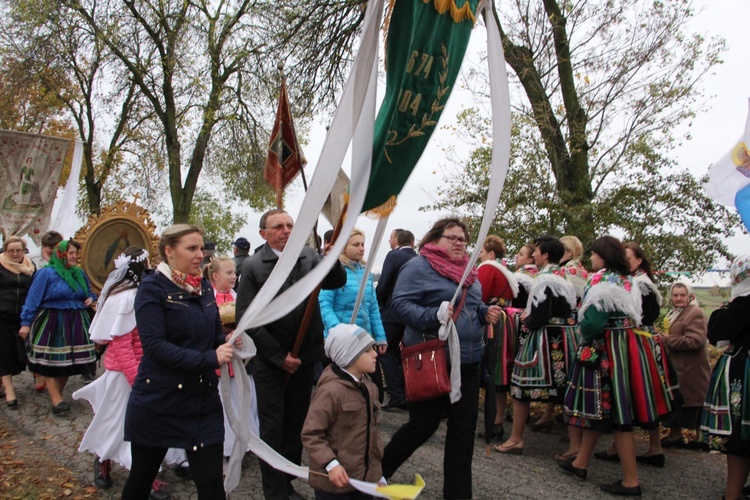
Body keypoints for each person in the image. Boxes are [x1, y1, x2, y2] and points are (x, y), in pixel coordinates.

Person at [381, 218, 502, 499]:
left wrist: (485, 313)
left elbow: (471, 305)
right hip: (434, 359)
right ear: (435, 239)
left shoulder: (468, 270)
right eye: (453, 238)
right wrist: (432, 316)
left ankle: (458, 495)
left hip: (469, 360)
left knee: (463, 430)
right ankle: (377, 471)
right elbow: (398, 305)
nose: (460, 243)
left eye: (463, 239)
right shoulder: (418, 266)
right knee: (422, 426)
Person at [236, 209, 346, 500]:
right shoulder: (253, 266)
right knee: (272, 429)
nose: (286, 230)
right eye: (278, 227)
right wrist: (277, 356)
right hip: (271, 362)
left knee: (296, 427)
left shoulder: (309, 256)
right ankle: (275, 493)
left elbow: (335, 281)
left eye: (289, 225)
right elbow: (245, 318)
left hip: (304, 358)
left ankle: (287, 484)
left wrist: (332, 259)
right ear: (263, 234)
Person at [122, 224, 237, 499]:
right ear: (169, 251)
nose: (201, 254)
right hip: (159, 400)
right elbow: (154, 346)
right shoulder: (152, 288)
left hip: (202, 402)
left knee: (211, 483)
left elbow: (211, 335)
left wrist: (225, 341)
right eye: (192, 248)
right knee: (141, 478)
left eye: (201, 248)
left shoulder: (204, 288)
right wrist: (211, 357)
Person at [561, 236, 667, 497]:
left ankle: (631, 481)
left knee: (617, 413)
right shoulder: (627, 279)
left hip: (608, 348)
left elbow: (594, 322)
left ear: (603, 257)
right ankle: (580, 462)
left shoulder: (602, 280)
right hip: (629, 346)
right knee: (605, 407)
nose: (591, 259)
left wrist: (583, 333)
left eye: (595, 254)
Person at [71, 247, 172, 498]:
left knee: (143, 427)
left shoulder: (142, 293)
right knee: (115, 422)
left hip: (144, 371)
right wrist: (137, 378)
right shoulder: (127, 297)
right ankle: (102, 460)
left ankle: (143, 475)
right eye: (148, 262)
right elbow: (122, 343)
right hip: (126, 373)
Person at [497, 236, 577, 455]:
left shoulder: (545, 280)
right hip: (565, 338)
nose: (533, 255)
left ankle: (515, 439)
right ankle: (574, 447)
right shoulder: (564, 277)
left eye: (537, 251)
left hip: (544, 338)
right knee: (564, 389)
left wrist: (526, 320)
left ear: (546, 255)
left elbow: (539, 314)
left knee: (521, 388)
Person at [596, 242, 672, 467]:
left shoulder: (640, 283)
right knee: (642, 392)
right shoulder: (636, 281)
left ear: (639, 261)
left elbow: (647, 315)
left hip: (639, 340)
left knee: (639, 392)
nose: (625, 262)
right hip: (642, 340)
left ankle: (653, 447)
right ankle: (627, 447)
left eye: (628, 258)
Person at [302, 324, 383, 499]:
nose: (375, 354)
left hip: (363, 483)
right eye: (367, 351)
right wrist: (331, 464)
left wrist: (377, 474)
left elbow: (373, 434)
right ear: (349, 357)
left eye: (373, 348)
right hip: (334, 486)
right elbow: (311, 433)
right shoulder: (330, 392)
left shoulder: (370, 386)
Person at [19, 240, 97, 414]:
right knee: (51, 362)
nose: (75, 256)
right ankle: (56, 400)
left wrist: (91, 299)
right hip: (52, 320)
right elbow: (33, 299)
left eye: (76, 253)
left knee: (68, 362)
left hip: (76, 321)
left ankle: (57, 395)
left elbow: (89, 292)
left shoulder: (79, 273)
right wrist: (26, 323)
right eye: (71, 253)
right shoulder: (46, 274)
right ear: (61, 254)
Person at [700, 255, 750, 500]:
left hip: (744, 370)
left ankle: (732, 495)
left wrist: (726, 308)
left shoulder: (743, 304)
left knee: (740, 436)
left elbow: (718, 332)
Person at [319, 229, 387, 401]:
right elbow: (324, 304)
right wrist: (338, 331)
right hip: (342, 342)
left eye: (363, 244)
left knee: (375, 392)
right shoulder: (334, 270)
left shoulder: (366, 272)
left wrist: (379, 337)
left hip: (364, 339)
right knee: (343, 395)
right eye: (356, 244)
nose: (361, 248)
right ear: (343, 247)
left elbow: (372, 307)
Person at [204, 257, 260, 456]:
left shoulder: (237, 297)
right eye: (229, 273)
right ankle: (226, 449)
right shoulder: (208, 299)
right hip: (218, 362)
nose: (234, 276)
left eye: (234, 273)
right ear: (215, 276)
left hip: (239, 361)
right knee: (225, 403)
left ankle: (245, 442)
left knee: (244, 401)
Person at [476, 235, 518, 441]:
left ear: (491, 254)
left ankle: (494, 421)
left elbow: (479, 296)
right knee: (499, 373)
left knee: (492, 370)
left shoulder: (488, 268)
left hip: (492, 321)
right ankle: (498, 420)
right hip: (505, 320)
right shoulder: (505, 270)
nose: (479, 255)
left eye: (481, 252)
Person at [660, 281, 710, 449]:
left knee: (692, 404)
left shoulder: (694, 313)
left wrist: (667, 340)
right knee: (680, 403)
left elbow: (696, 341)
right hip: (681, 367)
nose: (679, 298)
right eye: (675, 295)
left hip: (692, 368)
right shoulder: (677, 313)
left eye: (682, 295)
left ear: (689, 296)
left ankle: (699, 440)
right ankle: (676, 437)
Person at [376, 229, 417, 411]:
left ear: (398, 240)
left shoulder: (393, 257)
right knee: (401, 353)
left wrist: (380, 304)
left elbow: (384, 284)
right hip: (410, 314)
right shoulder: (418, 259)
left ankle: (397, 395)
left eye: (391, 237)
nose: (388, 240)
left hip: (392, 312)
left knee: (385, 350)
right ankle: (405, 391)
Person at [0, 236, 35, 407]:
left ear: (23, 251)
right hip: (2, 314)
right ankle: (9, 390)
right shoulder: (0, 265)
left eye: (18, 250)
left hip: (22, 315)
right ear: (5, 251)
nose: (15, 254)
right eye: (11, 251)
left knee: (20, 352)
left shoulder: (30, 267)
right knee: (4, 352)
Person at [29, 230, 63, 392]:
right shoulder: (33, 260)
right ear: (43, 246)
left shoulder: (64, 262)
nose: (51, 250)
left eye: (55, 246)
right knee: (37, 342)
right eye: (48, 247)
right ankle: (39, 373)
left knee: (50, 343)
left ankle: (47, 374)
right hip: (38, 307)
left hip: (55, 309)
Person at [512, 243, 538, 308]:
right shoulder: (537, 274)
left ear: (529, 260)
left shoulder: (519, 276)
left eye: (521, 254)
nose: (517, 256)